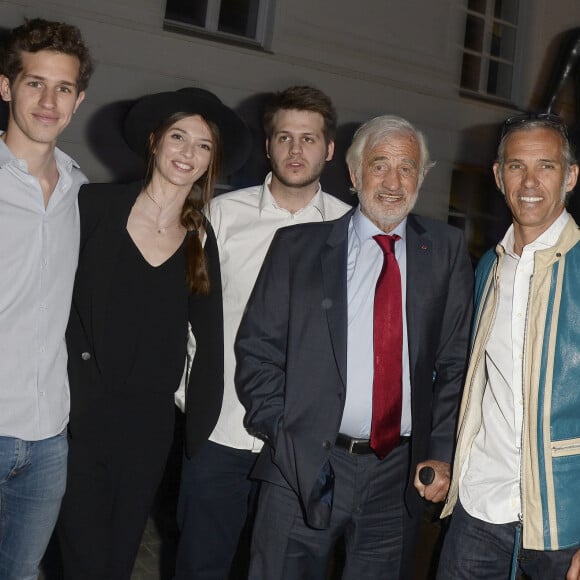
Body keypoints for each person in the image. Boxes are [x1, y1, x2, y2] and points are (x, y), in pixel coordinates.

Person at [234, 114, 473, 579]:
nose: (392, 181)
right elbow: (257, 352)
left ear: (421, 178)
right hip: (303, 467)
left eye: (407, 168)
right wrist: (288, 436)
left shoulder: (444, 250)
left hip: (397, 473)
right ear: (353, 172)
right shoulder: (296, 248)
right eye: (379, 165)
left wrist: (440, 450)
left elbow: (454, 362)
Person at [56, 87, 250, 580]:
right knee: (81, 557)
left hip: (148, 427)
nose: (188, 153)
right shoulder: (93, 206)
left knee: (119, 558)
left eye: (203, 146)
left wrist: (198, 438)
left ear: (212, 161)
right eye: (178, 137)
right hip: (80, 413)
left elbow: (208, 344)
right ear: (153, 142)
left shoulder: (199, 239)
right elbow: (58, 300)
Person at [174, 85, 351, 579]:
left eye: (309, 139)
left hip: (302, 442)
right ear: (268, 145)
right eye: (285, 137)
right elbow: (185, 313)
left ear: (329, 149)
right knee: (200, 564)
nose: (296, 151)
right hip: (221, 430)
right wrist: (189, 397)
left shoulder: (349, 228)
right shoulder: (221, 217)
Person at [437, 113, 580, 579]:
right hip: (481, 506)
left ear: (571, 176)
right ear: (498, 176)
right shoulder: (488, 270)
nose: (531, 181)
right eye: (516, 166)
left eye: (547, 166)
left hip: (564, 519)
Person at [0, 18, 93, 579]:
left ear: (78, 100)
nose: (48, 101)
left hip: (49, 436)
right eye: (35, 83)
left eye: (63, 88)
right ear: (6, 86)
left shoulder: (84, 194)